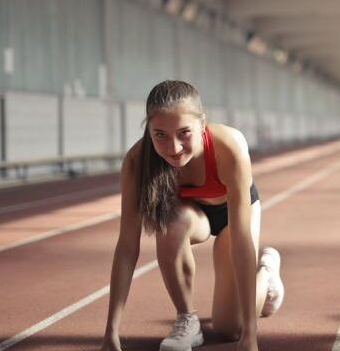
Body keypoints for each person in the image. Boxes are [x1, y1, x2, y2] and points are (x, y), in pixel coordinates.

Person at [101, 80, 284, 351]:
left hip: (233, 217)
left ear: (202, 124)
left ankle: (267, 272)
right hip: (193, 215)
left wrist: (250, 334)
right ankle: (187, 320)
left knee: (228, 328)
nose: (174, 148)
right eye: (160, 135)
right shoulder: (136, 162)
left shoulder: (228, 147)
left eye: (184, 133)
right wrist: (111, 332)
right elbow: (127, 246)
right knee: (170, 223)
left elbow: (242, 242)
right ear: (148, 130)